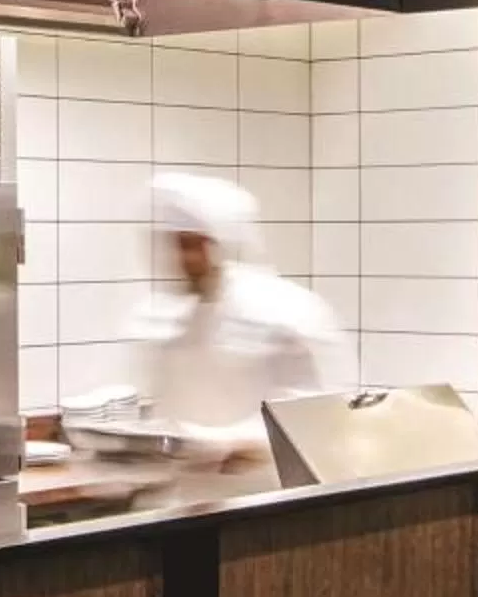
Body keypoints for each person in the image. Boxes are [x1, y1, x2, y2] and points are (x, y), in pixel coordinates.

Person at [135, 172, 344, 473]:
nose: (179, 258)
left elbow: (316, 419)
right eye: (174, 244)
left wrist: (224, 445)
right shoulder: (171, 320)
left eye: (189, 245)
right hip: (187, 493)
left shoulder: (287, 312)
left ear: (219, 245)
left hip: (264, 493)